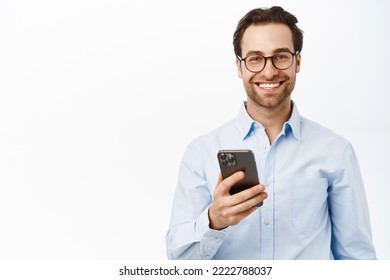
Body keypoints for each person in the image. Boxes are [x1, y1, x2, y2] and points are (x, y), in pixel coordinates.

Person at [165, 6, 376, 260]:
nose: (269, 71)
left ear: (297, 61)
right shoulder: (201, 152)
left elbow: (358, 260)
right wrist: (214, 220)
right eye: (255, 58)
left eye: (281, 56)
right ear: (239, 67)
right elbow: (178, 264)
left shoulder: (335, 151)